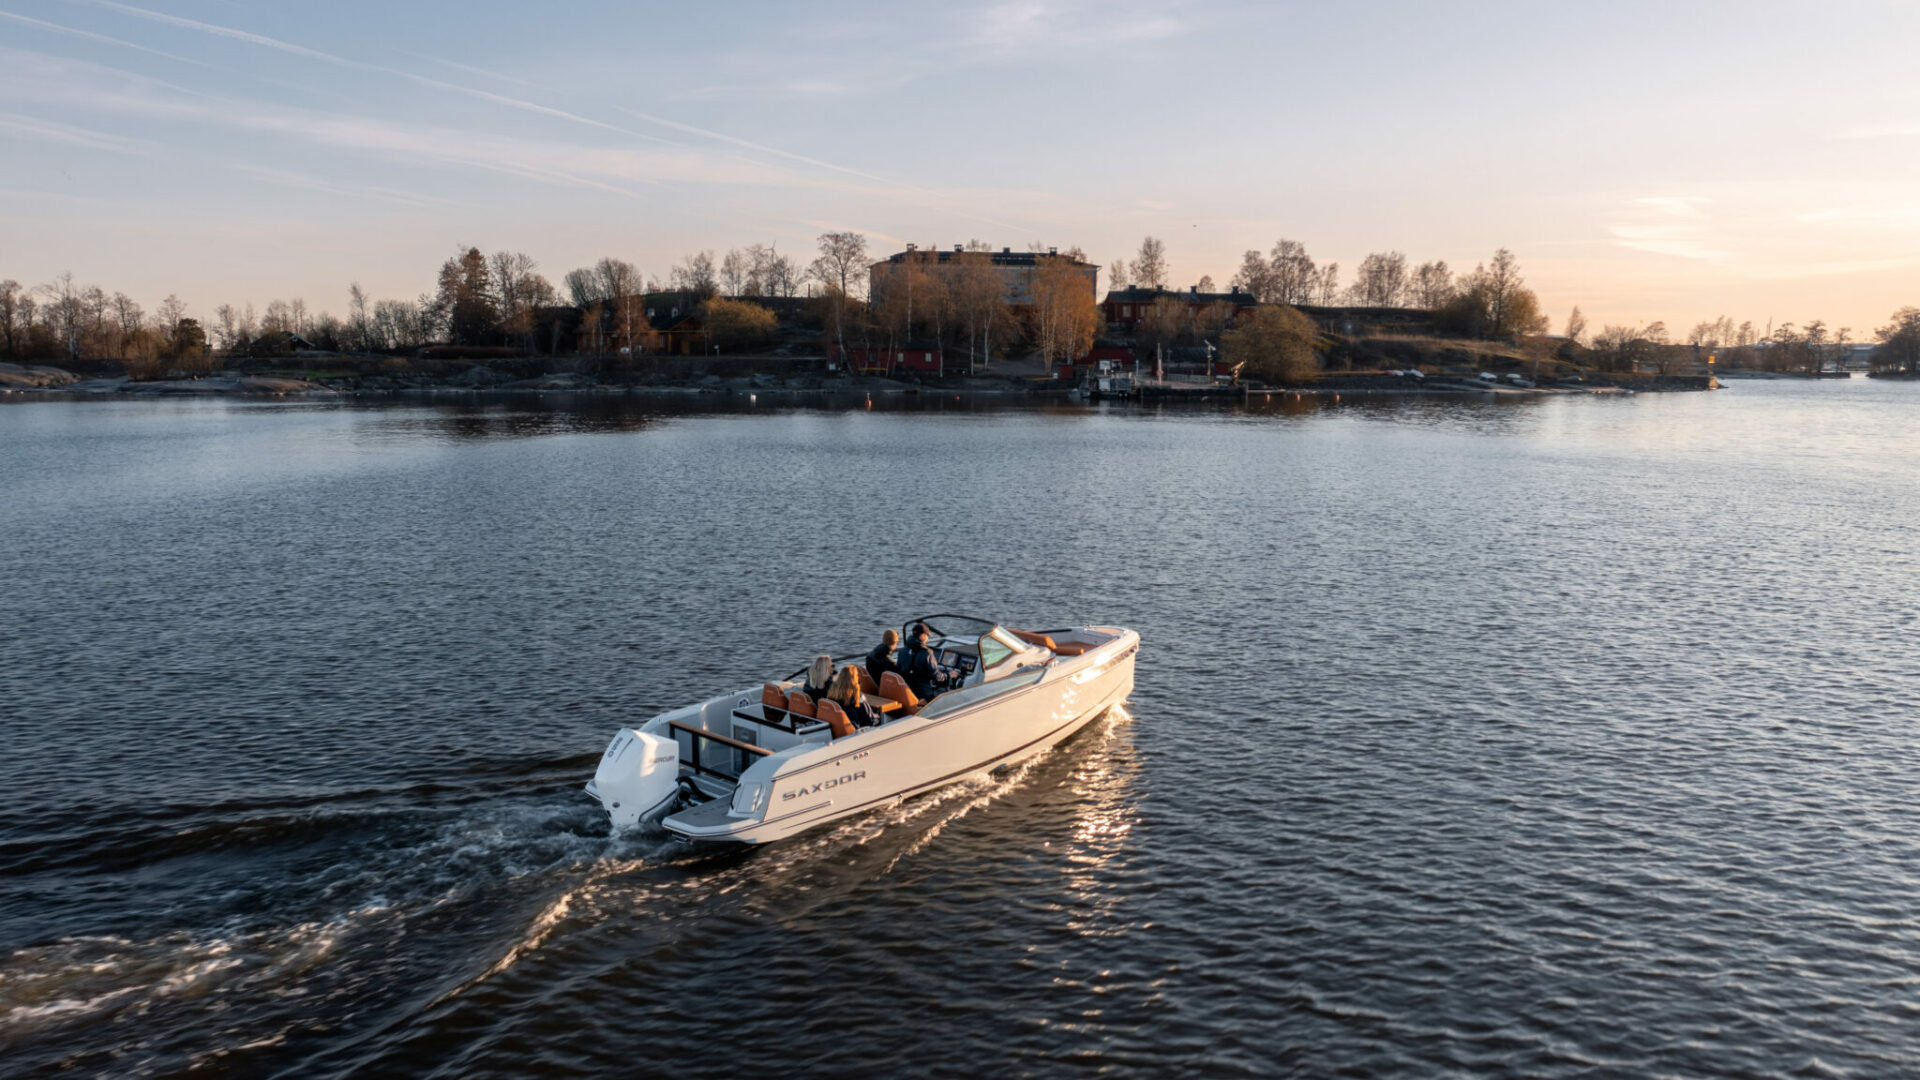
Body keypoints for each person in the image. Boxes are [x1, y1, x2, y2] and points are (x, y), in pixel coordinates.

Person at [896, 623, 958, 701]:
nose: (927, 638)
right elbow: (937, 677)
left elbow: (898, 670)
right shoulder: (927, 654)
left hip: (906, 693)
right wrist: (948, 675)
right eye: (927, 635)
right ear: (922, 636)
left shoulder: (902, 650)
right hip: (923, 696)